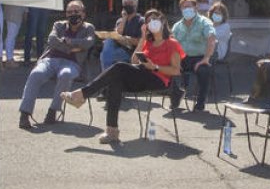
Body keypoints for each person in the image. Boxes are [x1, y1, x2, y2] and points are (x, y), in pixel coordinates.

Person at [61, 9, 185, 144]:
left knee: (119, 66)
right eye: (148, 21)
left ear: (162, 21)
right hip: (142, 76)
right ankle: (111, 131)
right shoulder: (148, 42)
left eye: (154, 19)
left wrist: (155, 67)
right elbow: (134, 61)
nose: (151, 23)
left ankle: (82, 95)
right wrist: (143, 38)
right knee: (116, 82)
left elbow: (176, 70)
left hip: (160, 80)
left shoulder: (172, 43)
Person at [17, 0, 96, 130]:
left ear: (83, 13)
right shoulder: (58, 25)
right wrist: (71, 48)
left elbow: (88, 42)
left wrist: (69, 41)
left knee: (66, 74)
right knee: (36, 74)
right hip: (50, 60)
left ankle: (53, 111)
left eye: (76, 12)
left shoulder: (88, 28)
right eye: (70, 12)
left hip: (73, 63)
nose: (73, 15)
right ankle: (24, 114)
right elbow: (52, 40)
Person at [171, 0, 216, 111]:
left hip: (200, 57)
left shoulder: (204, 22)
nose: (186, 9)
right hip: (183, 58)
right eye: (183, 7)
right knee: (167, 68)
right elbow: (172, 45)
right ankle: (176, 96)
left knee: (204, 71)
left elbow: (211, 39)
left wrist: (206, 58)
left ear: (196, 8)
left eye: (189, 6)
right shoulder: (177, 26)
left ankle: (201, 102)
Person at [99, 0, 142, 69]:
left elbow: (140, 41)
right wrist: (124, 18)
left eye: (131, 3)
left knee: (104, 56)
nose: (128, 5)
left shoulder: (141, 21)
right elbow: (117, 34)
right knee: (109, 40)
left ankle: (106, 75)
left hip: (130, 52)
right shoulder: (120, 21)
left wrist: (125, 39)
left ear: (136, 5)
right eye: (126, 3)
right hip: (117, 48)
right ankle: (107, 75)